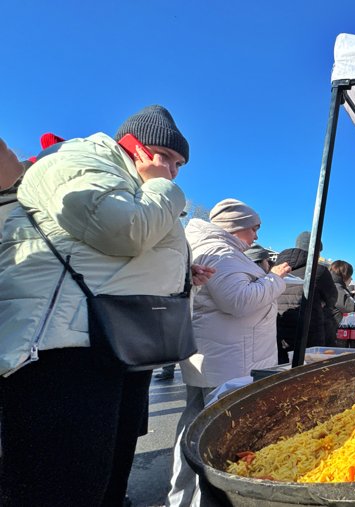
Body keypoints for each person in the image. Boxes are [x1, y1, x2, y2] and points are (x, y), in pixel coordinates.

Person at [0, 105, 215, 505]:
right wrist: (162, 187)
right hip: (62, 348)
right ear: (132, 144)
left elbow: (118, 258)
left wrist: (184, 274)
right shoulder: (79, 159)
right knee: (60, 487)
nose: (173, 169)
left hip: (114, 341)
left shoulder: (132, 180)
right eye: (166, 156)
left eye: (180, 163)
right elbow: (123, 231)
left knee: (107, 477)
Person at [166, 198, 290, 507]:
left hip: (216, 356)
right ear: (235, 227)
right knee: (216, 439)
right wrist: (275, 278)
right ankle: (205, 501)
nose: (256, 237)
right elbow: (238, 301)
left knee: (194, 431)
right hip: (232, 360)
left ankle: (183, 500)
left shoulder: (213, 248)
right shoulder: (221, 250)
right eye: (254, 228)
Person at [275, 231, 337, 363]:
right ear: (316, 251)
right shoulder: (318, 270)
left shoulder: (276, 269)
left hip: (279, 331)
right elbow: (332, 298)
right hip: (309, 333)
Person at [325, 260, 355, 343]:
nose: (351, 278)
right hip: (333, 332)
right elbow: (350, 307)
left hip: (330, 330)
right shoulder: (337, 287)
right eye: (350, 275)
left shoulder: (331, 283)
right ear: (345, 275)